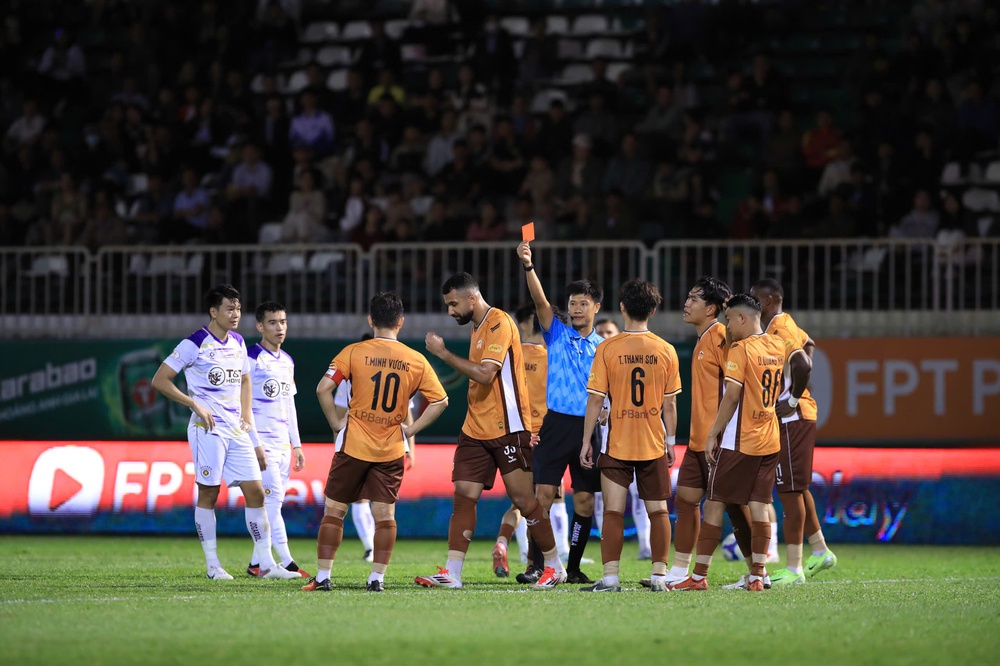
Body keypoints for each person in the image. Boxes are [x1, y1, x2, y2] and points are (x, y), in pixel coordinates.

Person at [414, 272, 567, 590]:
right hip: (476, 428)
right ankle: (452, 573)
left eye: (453, 303)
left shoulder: (498, 322)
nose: (450, 311)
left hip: (508, 427)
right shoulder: (477, 326)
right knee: (463, 497)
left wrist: (442, 353)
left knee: (525, 501)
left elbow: (485, 375)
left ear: (472, 298)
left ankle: (554, 566)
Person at [151, 284, 300, 581]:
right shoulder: (194, 343)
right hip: (208, 429)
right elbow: (160, 380)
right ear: (213, 312)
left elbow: (245, 379)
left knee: (257, 492)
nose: (235, 314)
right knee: (209, 492)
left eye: (238, 308)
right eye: (229, 309)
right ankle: (212, 565)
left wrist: (246, 414)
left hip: (236, 430)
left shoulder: (238, 343)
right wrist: (194, 404)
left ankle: (266, 564)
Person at [308, 292, 449, 592]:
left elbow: (323, 389)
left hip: (353, 444)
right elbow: (441, 401)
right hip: (390, 448)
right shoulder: (416, 360)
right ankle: (377, 579)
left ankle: (322, 578)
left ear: (371, 320)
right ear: (401, 322)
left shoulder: (353, 352)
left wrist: (336, 423)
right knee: (385, 516)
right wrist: (409, 433)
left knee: (334, 511)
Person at [670, 293, 785, 592]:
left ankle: (697, 577)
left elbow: (731, 396)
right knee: (759, 506)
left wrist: (712, 434)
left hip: (740, 440)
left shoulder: (741, 349)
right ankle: (758, 575)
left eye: (731, 319)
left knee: (715, 504)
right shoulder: (776, 345)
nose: (728, 327)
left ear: (743, 318)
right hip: (770, 438)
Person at [580, 280, 681, 592]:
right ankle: (660, 577)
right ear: (652, 310)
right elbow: (670, 404)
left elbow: (596, 400)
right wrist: (670, 441)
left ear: (622, 307)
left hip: (617, 442)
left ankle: (610, 578)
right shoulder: (666, 350)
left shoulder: (607, 348)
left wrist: (586, 441)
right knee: (659, 511)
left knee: (612, 511)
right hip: (652, 442)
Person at [516, 241, 604, 584]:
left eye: (583, 303)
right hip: (555, 425)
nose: (577, 309)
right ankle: (539, 565)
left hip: (588, 429)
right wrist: (528, 266)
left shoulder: (605, 347)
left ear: (597, 307)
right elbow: (539, 301)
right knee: (543, 497)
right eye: (572, 304)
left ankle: (574, 567)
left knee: (583, 501)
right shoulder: (557, 335)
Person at [751, 279, 838, 583]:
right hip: (796, 418)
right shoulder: (786, 323)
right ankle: (820, 551)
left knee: (788, 491)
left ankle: (794, 568)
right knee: (798, 489)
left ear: (772, 298)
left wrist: (791, 397)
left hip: (792, 419)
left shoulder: (779, 328)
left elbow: (803, 363)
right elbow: (809, 344)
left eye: (757, 299)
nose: (753, 305)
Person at [492, 305, 571, 577]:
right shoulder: (556, 358)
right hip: (546, 436)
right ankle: (535, 563)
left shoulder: (509, 357)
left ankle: (504, 541)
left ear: (526, 324)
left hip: (513, 436)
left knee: (521, 502)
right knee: (539, 504)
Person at [333, 333, 419, 563]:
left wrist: (410, 446)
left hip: (372, 444)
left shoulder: (352, 371)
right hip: (374, 444)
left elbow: (338, 411)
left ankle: (369, 552)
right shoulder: (357, 372)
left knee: (374, 502)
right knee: (367, 500)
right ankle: (372, 549)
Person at [245, 301, 309, 578]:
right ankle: (285, 560)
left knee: (274, 505)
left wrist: (296, 444)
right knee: (270, 504)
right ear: (260, 326)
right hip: (262, 444)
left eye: (282, 322)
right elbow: (241, 404)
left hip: (283, 445)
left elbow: (289, 406)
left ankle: (257, 562)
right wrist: (254, 442)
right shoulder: (250, 358)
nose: (279, 327)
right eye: (272, 322)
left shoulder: (287, 361)